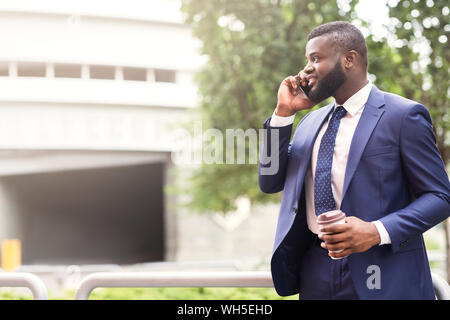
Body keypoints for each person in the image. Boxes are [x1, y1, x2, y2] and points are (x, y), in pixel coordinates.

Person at [258, 21, 450, 300]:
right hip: (315, 268)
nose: (307, 68)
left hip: (383, 267)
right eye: (307, 60)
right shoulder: (309, 123)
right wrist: (283, 113)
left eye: (316, 58)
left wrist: (375, 231)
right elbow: (270, 181)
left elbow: (440, 197)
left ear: (349, 59)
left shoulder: (403, 116)